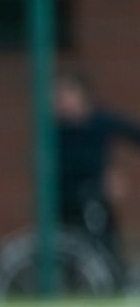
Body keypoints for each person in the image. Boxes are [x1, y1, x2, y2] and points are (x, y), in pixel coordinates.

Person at [54, 70, 140, 265]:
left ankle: (113, 269)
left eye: (65, 95)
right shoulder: (54, 131)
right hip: (67, 199)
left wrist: (106, 178)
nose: (61, 103)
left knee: (105, 236)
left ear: (82, 96)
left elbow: (134, 133)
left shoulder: (100, 121)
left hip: (95, 198)